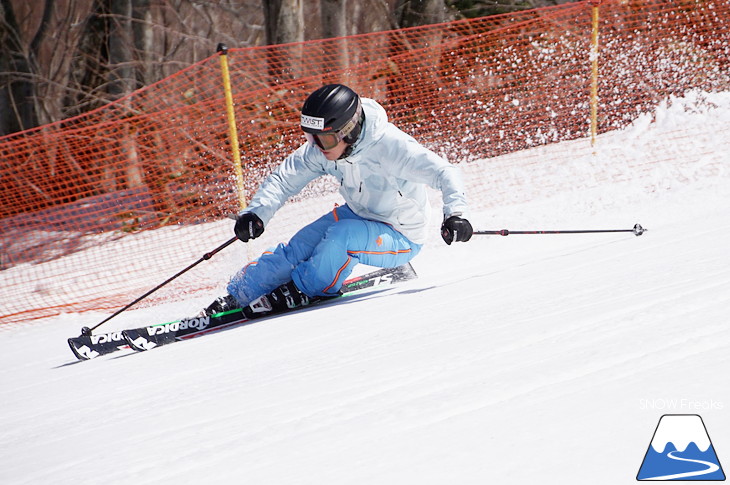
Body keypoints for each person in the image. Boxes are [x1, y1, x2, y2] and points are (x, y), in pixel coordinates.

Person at [205, 83, 472, 317]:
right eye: (310, 137)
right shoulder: (323, 149)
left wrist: (455, 215)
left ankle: (308, 287)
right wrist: (256, 213)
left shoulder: (391, 147)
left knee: (341, 236)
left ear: (349, 130)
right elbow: (285, 179)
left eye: (323, 139)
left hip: (401, 235)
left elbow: (444, 172)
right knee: (295, 251)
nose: (316, 146)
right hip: (358, 214)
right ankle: (239, 293)